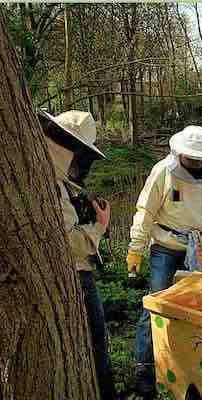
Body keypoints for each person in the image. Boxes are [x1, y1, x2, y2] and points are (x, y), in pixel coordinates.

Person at [126, 126, 202, 396]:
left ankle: (191, 367)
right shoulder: (163, 171)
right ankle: (144, 368)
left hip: (199, 249)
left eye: (198, 157)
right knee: (156, 305)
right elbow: (145, 210)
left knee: (199, 309)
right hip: (166, 248)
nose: (194, 162)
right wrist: (136, 248)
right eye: (190, 156)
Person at [39, 110, 116, 399]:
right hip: (74, 276)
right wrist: (99, 226)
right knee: (97, 348)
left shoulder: (49, 177)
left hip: (61, 277)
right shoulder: (51, 184)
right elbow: (70, 242)